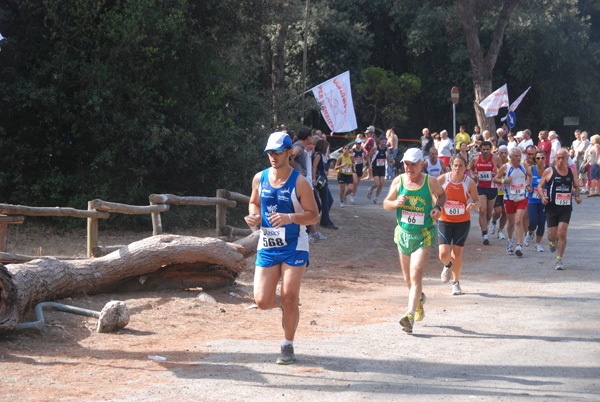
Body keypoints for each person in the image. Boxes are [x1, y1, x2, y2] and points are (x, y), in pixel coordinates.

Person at [246, 131, 319, 365]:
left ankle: (287, 345)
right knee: (262, 301)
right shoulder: (260, 178)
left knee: (289, 296)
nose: (273, 156)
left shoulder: (300, 182)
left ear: (289, 152)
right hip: (268, 243)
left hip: (295, 245)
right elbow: (254, 202)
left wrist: (289, 218)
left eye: (277, 152)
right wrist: (254, 216)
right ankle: (287, 307)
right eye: (269, 152)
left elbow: (313, 216)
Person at [383, 148, 447, 334]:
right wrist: (396, 203)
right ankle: (418, 301)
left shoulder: (430, 182)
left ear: (422, 164)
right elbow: (386, 204)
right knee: (407, 280)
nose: (409, 168)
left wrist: (436, 208)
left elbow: (442, 195)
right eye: (406, 164)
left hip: (423, 234)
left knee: (415, 274)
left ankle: (409, 316)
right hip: (403, 234)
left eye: (413, 164)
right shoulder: (399, 181)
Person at [437, 154, 479, 296]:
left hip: (462, 222)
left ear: (465, 167)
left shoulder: (469, 183)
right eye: (455, 165)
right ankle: (447, 265)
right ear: (451, 166)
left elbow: (477, 201)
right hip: (445, 221)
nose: (457, 168)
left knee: (457, 254)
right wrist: (437, 205)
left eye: (461, 166)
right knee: (443, 253)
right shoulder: (444, 179)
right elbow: (431, 191)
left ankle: (455, 283)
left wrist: (474, 205)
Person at [538, 148, 583, 270]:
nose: (560, 160)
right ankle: (553, 242)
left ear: (567, 159)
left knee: (562, 232)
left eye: (563, 158)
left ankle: (559, 260)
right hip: (551, 207)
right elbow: (540, 186)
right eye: (558, 158)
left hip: (565, 207)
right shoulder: (549, 171)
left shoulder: (571, 172)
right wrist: (542, 197)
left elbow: (576, 187)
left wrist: (577, 196)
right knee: (552, 235)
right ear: (555, 159)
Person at [494, 147, 533, 257]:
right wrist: (504, 181)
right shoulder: (505, 167)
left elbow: (530, 175)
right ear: (510, 157)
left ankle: (519, 245)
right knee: (511, 223)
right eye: (516, 156)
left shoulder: (524, 166)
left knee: (518, 221)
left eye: (519, 155)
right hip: (509, 198)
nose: (518, 158)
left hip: (522, 197)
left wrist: (528, 184)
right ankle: (510, 241)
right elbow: (495, 179)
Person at [468, 141, 501, 245]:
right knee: (482, 210)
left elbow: (503, 169)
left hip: (492, 187)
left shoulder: (495, 158)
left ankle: (485, 225)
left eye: (488, 149)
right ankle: (485, 234)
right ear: (481, 149)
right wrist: (472, 175)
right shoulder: (476, 158)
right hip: (480, 187)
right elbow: (470, 168)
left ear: (490, 149)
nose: (486, 151)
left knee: (489, 212)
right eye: (484, 149)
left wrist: (496, 175)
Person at [312, 139, 337, 230]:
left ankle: (324, 218)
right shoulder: (318, 155)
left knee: (329, 200)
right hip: (320, 181)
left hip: (323, 181)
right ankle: (325, 220)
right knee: (326, 201)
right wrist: (314, 180)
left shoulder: (323, 156)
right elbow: (314, 167)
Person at [526, 149, 548, 252]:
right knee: (533, 221)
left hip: (544, 201)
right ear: (535, 159)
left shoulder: (549, 170)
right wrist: (528, 187)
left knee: (542, 223)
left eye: (542, 158)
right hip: (532, 200)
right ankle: (530, 233)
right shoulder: (531, 170)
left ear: (545, 159)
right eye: (538, 158)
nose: (540, 160)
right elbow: (527, 182)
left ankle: (538, 244)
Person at [490, 145, 509, 240]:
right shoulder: (495, 164)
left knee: (505, 213)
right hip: (497, 191)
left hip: (508, 192)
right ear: (498, 154)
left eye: (505, 153)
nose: (503, 155)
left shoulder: (510, 165)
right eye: (501, 153)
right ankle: (493, 221)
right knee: (498, 211)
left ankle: (500, 230)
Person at [367, 136, 389, 204]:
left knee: (381, 183)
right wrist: (370, 165)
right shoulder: (375, 148)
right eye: (383, 142)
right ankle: (371, 189)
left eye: (385, 142)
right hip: (375, 167)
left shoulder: (387, 149)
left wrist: (391, 161)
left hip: (382, 167)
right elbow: (369, 156)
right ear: (380, 142)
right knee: (377, 183)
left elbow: (387, 158)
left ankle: (376, 198)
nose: (384, 143)